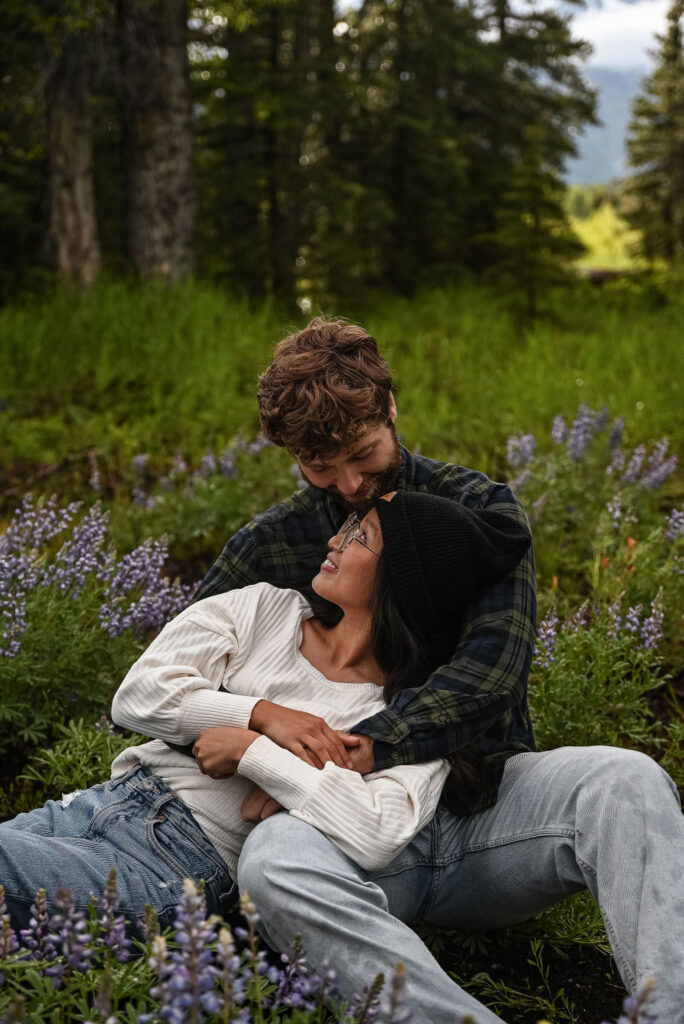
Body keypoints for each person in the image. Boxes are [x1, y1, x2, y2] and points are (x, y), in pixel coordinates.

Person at [194, 317, 684, 1024]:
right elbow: (184, 674)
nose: (351, 485)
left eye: (362, 454)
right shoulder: (273, 544)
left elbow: (491, 674)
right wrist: (270, 752)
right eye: (321, 470)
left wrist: (344, 754)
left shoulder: (478, 511)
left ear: (390, 408)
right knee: (272, 864)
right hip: (336, 835)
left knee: (627, 781)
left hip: (478, 815)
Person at [0, 492, 529, 955]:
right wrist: (260, 716)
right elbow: (138, 695)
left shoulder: (404, 719)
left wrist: (254, 755)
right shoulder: (266, 608)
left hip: (179, 863)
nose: (334, 541)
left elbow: (375, 830)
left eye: (359, 536)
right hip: (95, 806)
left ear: (405, 580)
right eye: (345, 526)